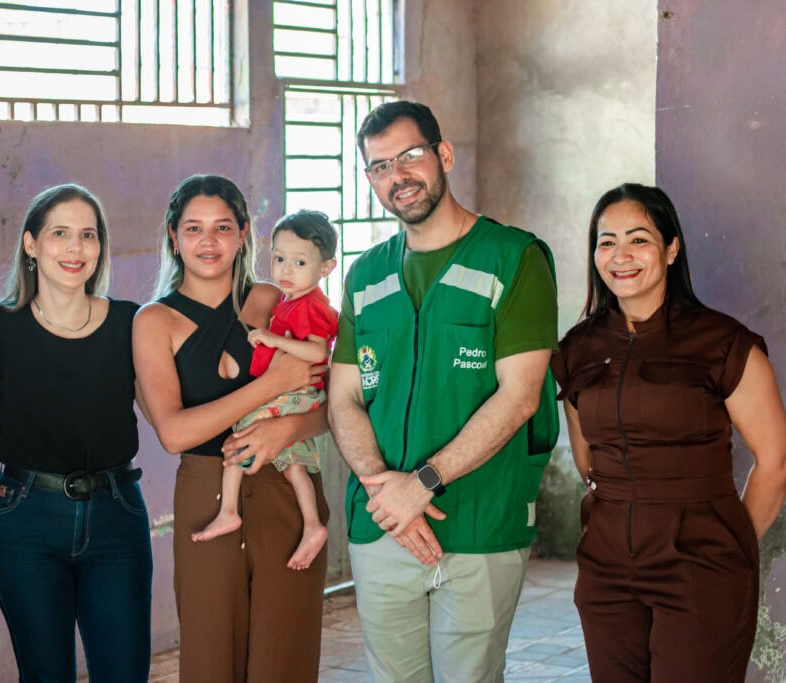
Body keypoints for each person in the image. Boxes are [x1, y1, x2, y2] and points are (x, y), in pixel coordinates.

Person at [327, 100, 560, 682]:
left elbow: (521, 395)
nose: (397, 176)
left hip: (480, 524)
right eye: (379, 167)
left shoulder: (515, 258)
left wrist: (422, 485)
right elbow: (344, 398)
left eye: (409, 156)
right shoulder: (365, 275)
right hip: (383, 525)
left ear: (443, 155)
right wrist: (389, 493)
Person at [551, 183, 786, 682]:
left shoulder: (723, 343)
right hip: (607, 566)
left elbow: (775, 461)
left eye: (638, 239)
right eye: (606, 241)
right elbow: (587, 457)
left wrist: (732, 541)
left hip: (701, 562)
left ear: (671, 248)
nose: (621, 256)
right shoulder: (578, 348)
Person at [132, 174, 329, 682]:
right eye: (193, 228)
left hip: (286, 486)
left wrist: (286, 431)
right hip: (206, 494)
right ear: (173, 236)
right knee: (210, 658)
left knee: (283, 657)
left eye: (222, 227)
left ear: (244, 234)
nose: (208, 241)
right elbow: (174, 433)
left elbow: (327, 401)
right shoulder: (154, 321)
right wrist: (269, 387)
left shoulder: (273, 299)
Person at [0, 183, 151, 682]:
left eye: (88, 235)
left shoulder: (130, 322)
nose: (76, 248)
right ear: (31, 244)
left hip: (117, 515)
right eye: (60, 233)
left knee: (123, 674)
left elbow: (168, 416)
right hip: (24, 518)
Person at [192, 209, 339, 571]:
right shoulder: (293, 300)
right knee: (294, 467)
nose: (286, 270)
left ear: (326, 268)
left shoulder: (309, 306)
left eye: (300, 261)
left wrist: (272, 338)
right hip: (294, 394)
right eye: (279, 258)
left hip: (294, 394)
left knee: (240, 434)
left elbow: (318, 351)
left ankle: (228, 511)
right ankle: (313, 525)